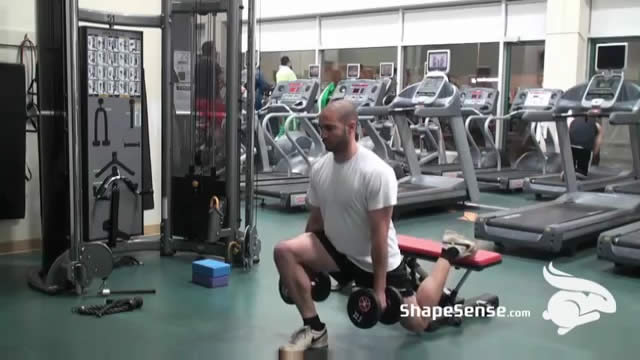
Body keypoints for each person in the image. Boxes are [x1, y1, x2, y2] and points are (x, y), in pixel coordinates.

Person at [273, 100, 478, 353]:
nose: (322, 135)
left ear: (351, 127)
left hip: (377, 262)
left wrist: (379, 290)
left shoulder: (375, 172)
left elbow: (379, 236)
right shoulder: (320, 168)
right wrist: (306, 265)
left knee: (418, 323)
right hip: (338, 251)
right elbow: (315, 221)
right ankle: (315, 328)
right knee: (284, 251)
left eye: (329, 129)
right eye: (320, 128)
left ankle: (450, 253)